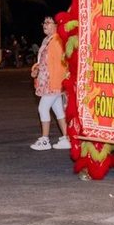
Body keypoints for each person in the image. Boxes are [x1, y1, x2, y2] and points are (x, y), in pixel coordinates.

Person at [30, 16, 70, 151]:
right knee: (58, 110)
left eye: (48, 22)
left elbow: (61, 64)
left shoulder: (57, 41)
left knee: (42, 108)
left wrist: (57, 83)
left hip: (53, 81)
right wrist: (36, 68)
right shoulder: (47, 40)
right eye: (44, 22)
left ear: (56, 25)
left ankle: (45, 140)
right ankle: (66, 138)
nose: (45, 25)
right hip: (46, 80)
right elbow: (44, 61)